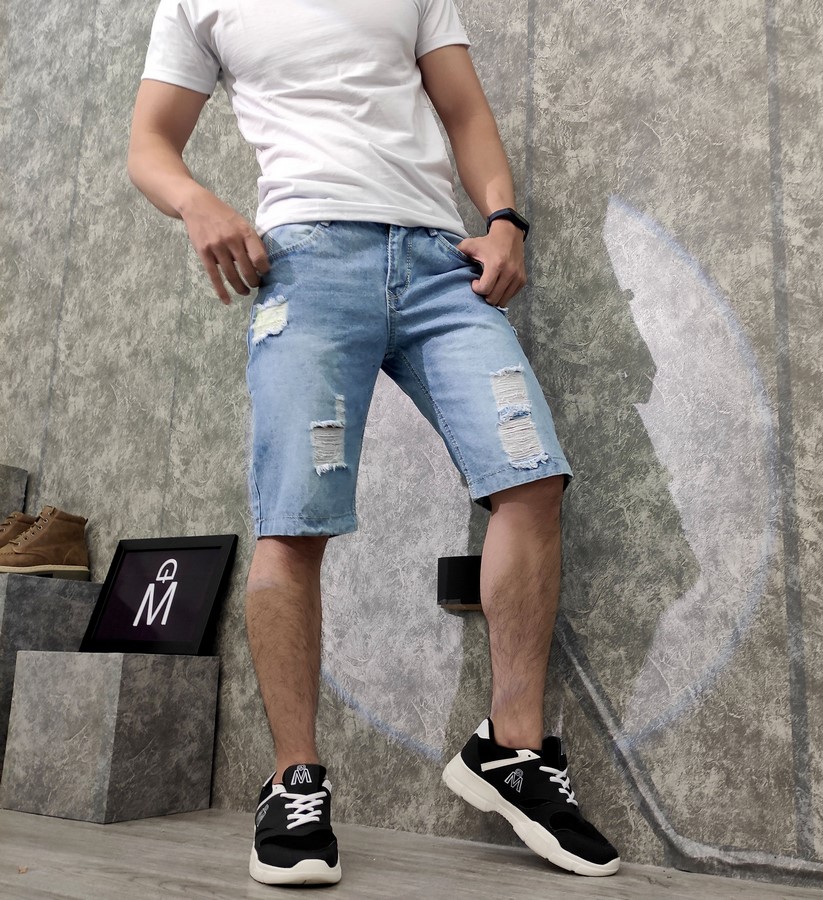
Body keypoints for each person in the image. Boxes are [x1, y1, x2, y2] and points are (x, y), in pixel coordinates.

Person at [128, 0, 620, 886]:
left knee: (530, 477)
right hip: (307, 263)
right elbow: (149, 143)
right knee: (296, 518)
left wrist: (505, 219)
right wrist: (197, 203)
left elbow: (464, 109)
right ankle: (294, 781)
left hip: (439, 265)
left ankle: (510, 752)